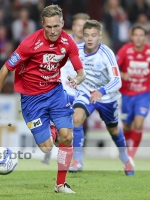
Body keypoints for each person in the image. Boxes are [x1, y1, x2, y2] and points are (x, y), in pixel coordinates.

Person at [0, 5, 86, 193]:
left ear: (63, 23)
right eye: (49, 27)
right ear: (42, 25)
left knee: (68, 135)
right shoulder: (29, 44)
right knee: (47, 148)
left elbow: (81, 72)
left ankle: (60, 184)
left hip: (56, 92)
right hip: (32, 99)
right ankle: (53, 131)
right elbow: (7, 67)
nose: (53, 31)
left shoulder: (68, 41)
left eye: (57, 26)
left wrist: (77, 79)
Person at [71, 19, 134, 176]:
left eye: (93, 35)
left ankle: (125, 159)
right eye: (86, 35)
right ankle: (77, 161)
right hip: (86, 93)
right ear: (82, 36)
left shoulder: (107, 53)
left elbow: (117, 80)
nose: (90, 39)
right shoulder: (76, 49)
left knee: (113, 131)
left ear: (100, 35)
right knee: (76, 118)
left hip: (107, 98)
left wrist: (102, 91)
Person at [41, 13, 90, 169]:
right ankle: (58, 152)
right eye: (78, 25)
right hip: (60, 89)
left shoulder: (93, 48)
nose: (81, 29)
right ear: (72, 27)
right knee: (63, 125)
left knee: (76, 120)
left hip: (81, 91)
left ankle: (78, 160)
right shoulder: (62, 41)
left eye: (84, 26)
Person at [116, 24, 150, 162]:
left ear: (146, 37)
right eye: (136, 35)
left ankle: (131, 156)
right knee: (127, 125)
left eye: (141, 35)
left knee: (138, 123)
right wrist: (121, 73)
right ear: (131, 36)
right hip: (127, 94)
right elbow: (113, 67)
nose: (138, 38)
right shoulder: (125, 50)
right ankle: (127, 151)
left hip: (144, 93)